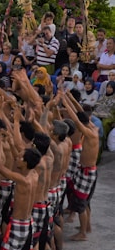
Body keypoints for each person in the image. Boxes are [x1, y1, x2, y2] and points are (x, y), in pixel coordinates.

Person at [61, 92, 99, 241]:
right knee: (84, 201)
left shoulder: (90, 133)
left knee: (80, 203)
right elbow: (80, 113)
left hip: (87, 172)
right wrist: (70, 99)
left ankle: (83, 233)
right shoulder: (92, 126)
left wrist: (65, 102)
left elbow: (76, 118)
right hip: (86, 171)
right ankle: (86, 226)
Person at [0, 148, 41, 250]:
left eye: (19, 157)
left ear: (25, 163)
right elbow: (22, 161)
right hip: (27, 222)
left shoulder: (23, 180)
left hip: (18, 224)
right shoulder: (34, 174)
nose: (16, 158)